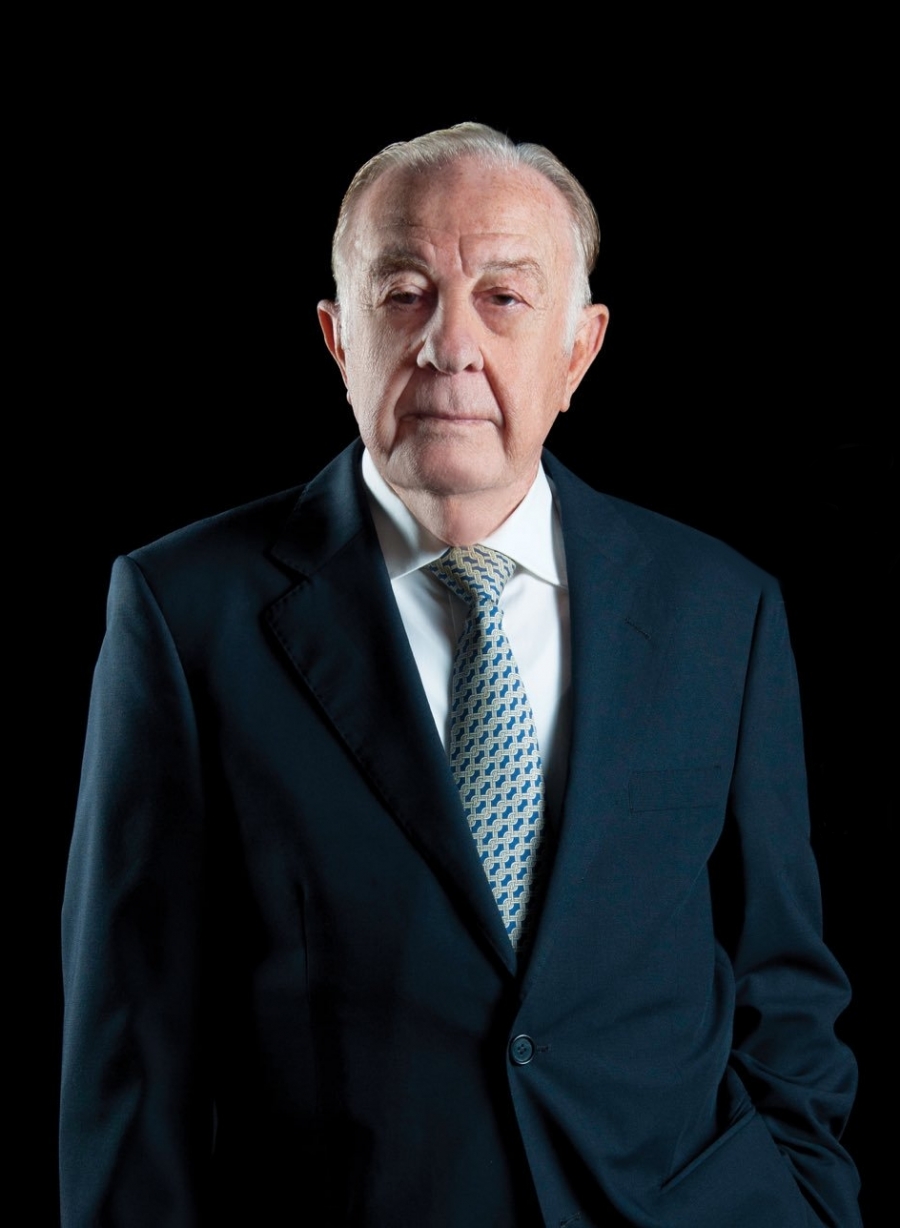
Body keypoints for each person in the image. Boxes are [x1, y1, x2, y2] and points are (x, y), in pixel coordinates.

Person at [60, 123, 861, 1227]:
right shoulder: (185, 615)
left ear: (579, 350)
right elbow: (132, 1050)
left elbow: (783, 981)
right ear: (339, 339)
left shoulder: (722, 611)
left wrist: (808, 1202)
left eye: (503, 297)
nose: (450, 345)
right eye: (403, 295)